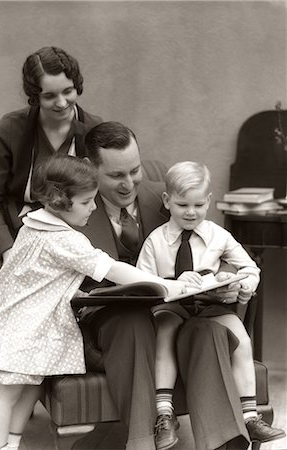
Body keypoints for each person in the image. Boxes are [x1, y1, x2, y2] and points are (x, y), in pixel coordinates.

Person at [0, 46, 102, 450]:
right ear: (33, 96)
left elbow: (101, 199)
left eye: (68, 91)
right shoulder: (11, 128)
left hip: (54, 243)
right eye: (49, 95)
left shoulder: (92, 132)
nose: (61, 102)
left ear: (77, 86)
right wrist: (8, 249)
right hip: (5, 234)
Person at [0, 155, 186, 450]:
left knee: (30, 389)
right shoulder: (64, 241)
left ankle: (13, 442)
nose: (94, 207)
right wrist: (165, 285)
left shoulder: (33, 223)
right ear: (60, 202)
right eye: (86, 202)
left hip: (25, 326)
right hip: (19, 330)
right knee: (5, 397)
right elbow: (110, 268)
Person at [70, 121, 251, 450]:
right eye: (116, 176)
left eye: (135, 170)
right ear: (89, 168)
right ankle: (142, 442)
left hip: (178, 312)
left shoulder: (167, 197)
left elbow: (212, 244)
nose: (129, 184)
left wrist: (224, 279)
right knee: (134, 323)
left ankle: (226, 443)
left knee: (208, 331)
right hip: (114, 322)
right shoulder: (72, 210)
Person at [136, 161, 286, 449]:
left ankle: (251, 417)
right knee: (165, 332)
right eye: (182, 205)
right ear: (167, 201)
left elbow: (250, 268)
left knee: (241, 338)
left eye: (197, 205)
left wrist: (243, 285)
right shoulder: (156, 241)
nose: (190, 212)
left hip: (210, 304)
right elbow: (143, 283)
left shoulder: (218, 236)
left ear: (208, 200)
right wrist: (174, 282)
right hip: (173, 305)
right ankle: (165, 414)